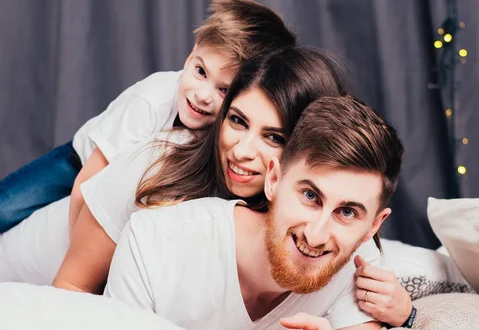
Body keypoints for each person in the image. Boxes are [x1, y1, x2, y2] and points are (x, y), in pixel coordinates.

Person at [103, 95, 410, 330]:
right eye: (309, 195)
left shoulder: (358, 264)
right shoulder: (154, 240)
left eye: (346, 212)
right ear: (274, 180)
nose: (316, 235)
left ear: (373, 226)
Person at [16, 46, 341, 289]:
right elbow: (70, 288)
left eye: (273, 137)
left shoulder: (318, 222)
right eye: (238, 121)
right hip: (24, 279)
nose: (241, 152)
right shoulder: (153, 165)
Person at [0, 0, 296, 234]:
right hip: (79, 161)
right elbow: (87, 186)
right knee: (8, 206)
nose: (203, 95)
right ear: (190, 55)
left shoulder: (233, 130)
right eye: (200, 71)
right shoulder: (151, 101)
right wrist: (78, 256)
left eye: (223, 90)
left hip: (132, 178)